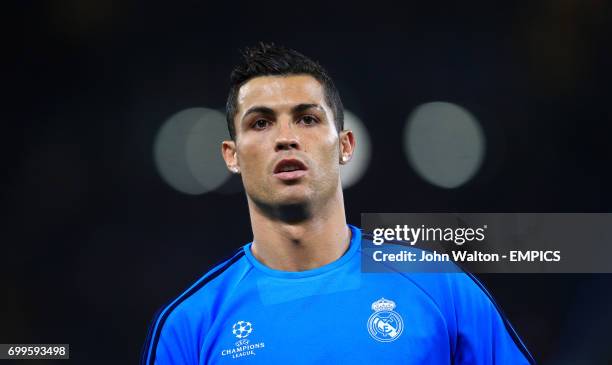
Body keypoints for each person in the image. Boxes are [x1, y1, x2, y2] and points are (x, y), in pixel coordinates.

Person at [141, 43, 535, 364]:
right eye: (261, 123)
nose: (286, 138)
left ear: (345, 145)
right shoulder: (191, 325)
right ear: (232, 156)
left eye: (307, 119)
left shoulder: (440, 286)